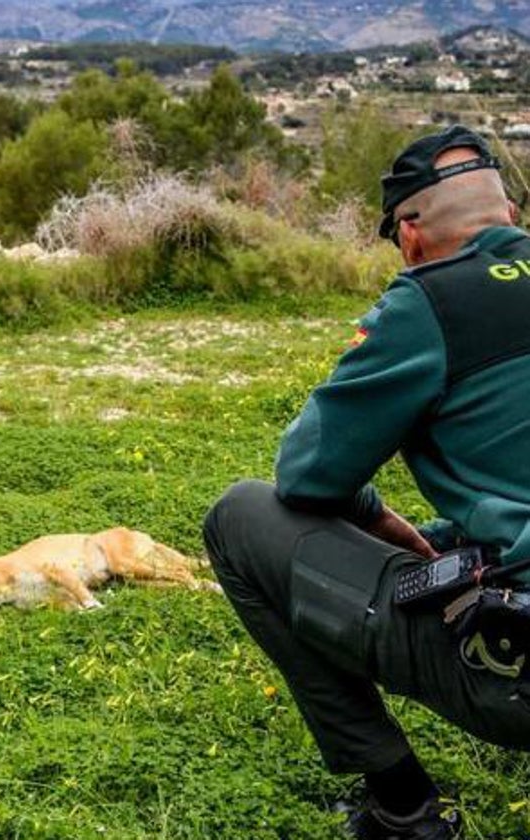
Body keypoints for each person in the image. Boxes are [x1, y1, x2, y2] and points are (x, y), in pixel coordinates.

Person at [204, 124, 530, 839]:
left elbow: (308, 477)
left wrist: (392, 530)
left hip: (517, 672)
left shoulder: (432, 302)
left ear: (410, 236)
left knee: (238, 516)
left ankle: (402, 804)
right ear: (511, 216)